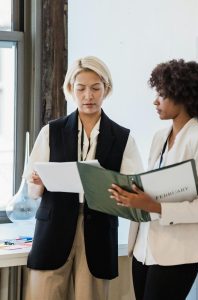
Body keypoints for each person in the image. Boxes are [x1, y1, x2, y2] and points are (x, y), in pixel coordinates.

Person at [23, 56, 143, 300]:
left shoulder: (122, 138)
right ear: (71, 90)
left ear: (106, 90)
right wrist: (37, 181)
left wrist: (119, 190)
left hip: (98, 231)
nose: (88, 95)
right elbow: (32, 188)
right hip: (53, 229)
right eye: (81, 88)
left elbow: (134, 191)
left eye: (95, 88)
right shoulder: (51, 132)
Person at [109, 59, 198, 300]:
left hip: (177, 255)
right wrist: (129, 197)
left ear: (184, 96)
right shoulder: (160, 137)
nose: (155, 101)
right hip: (143, 249)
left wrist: (155, 206)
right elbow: (152, 189)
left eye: (162, 94)